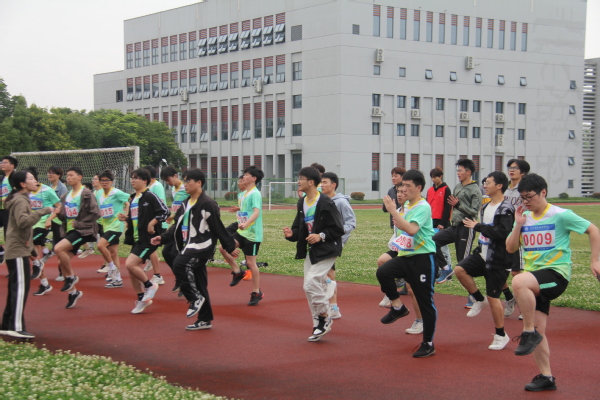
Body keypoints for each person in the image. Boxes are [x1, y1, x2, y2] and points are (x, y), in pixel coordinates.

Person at [506, 174, 600, 392]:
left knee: (518, 281)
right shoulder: (524, 217)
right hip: (534, 278)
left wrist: (595, 260)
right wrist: (518, 225)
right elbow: (510, 248)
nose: (526, 202)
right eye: (522, 198)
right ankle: (546, 377)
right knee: (539, 328)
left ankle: (528, 332)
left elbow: (593, 230)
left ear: (543, 193)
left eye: (529, 197)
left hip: (556, 275)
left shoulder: (561, 215)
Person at [151, 168, 239, 330]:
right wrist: (163, 238)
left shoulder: (207, 203)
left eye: (188, 181)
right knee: (199, 283)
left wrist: (230, 246)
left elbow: (217, 227)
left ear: (199, 183)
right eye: (184, 181)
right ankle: (205, 319)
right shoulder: (186, 203)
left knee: (179, 264)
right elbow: (177, 225)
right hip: (189, 245)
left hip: (202, 247)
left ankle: (194, 298)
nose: (185, 184)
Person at [376, 169, 438, 358]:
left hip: (422, 258)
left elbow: (411, 229)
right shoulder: (406, 205)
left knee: (425, 301)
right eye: (402, 186)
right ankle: (398, 307)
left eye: (408, 186)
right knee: (383, 272)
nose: (403, 189)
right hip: (405, 256)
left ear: (419, 188)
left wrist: (393, 211)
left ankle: (428, 343)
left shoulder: (423, 207)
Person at [453, 171, 516, 350]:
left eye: (488, 182)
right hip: (482, 255)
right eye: (485, 182)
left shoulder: (506, 209)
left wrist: (478, 226)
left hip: (499, 259)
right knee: (460, 270)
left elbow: (502, 233)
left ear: (499, 186)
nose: (485, 186)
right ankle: (479, 299)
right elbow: (485, 233)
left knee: (494, 297)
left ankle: (501, 335)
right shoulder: (486, 206)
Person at [283, 166, 344, 342]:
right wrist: (292, 234)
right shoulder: (302, 202)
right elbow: (299, 228)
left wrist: (321, 236)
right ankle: (318, 324)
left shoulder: (325, 202)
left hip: (328, 248)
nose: (298, 182)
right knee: (308, 287)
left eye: (300, 179)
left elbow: (338, 228)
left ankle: (325, 315)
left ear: (311, 182)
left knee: (311, 282)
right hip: (313, 250)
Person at [0, 170, 57, 339]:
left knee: (15, 288)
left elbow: (20, 229)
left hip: (19, 249)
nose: (35, 181)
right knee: (20, 288)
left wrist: (31, 250)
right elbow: (23, 222)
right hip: (17, 250)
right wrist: (43, 211)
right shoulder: (20, 200)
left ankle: (7, 325)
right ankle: (16, 327)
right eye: (31, 179)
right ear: (23, 184)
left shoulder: (20, 199)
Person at [119, 168, 170, 314]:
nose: (133, 180)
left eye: (136, 178)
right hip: (137, 239)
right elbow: (137, 217)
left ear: (144, 180)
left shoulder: (150, 196)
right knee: (131, 269)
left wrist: (152, 223)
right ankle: (142, 298)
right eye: (132, 177)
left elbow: (165, 212)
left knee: (130, 264)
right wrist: (126, 218)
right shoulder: (133, 198)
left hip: (149, 239)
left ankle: (150, 285)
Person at [54, 167, 102, 309]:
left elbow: (96, 213)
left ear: (79, 177)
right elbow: (65, 216)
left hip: (82, 231)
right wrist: (59, 213)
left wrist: (79, 223)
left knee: (58, 248)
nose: (68, 177)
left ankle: (71, 278)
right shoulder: (66, 196)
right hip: (70, 231)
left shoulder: (86, 194)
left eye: (71, 175)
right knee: (62, 262)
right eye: (67, 175)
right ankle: (73, 293)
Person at [219, 166, 265, 305]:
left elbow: (256, 212)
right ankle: (238, 271)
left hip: (252, 234)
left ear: (254, 178)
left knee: (251, 263)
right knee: (222, 247)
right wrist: (239, 209)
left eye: (246, 174)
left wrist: (246, 223)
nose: (243, 177)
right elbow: (247, 209)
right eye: (243, 174)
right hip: (242, 232)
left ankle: (256, 292)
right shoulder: (244, 194)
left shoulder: (255, 193)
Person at [434, 159, 482, 288]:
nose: (458, 173)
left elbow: (474, 212)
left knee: (463, 263)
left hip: (466, 227)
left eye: (460, 170)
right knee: (433, 241)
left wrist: (459, 205)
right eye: (457, 170)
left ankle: (473, 295)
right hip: (454, 226)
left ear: (468, 172)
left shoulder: (475, 190)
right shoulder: (457, 187)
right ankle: (445, 268)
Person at [320, 172, 356, 319]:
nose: (321, 185)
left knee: (328, 274)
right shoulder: (321, 200)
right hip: (322, 241)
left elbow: (351, 222)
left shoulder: (341, 202)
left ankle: (333, 307)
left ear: (333, 185)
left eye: (325, 182)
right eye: (321, 182)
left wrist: (337, 235)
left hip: (333, 242)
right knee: (326, 274)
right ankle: (332, 306)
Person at [22, 167, 61, 296]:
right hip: (30, 224)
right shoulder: (25, 192)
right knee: (34, 255)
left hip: (43, 224)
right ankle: (44, 283)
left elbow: (59, 207)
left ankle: (40, 261)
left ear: (34, 179)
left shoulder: (47, 190)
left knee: (27, 245)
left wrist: (49, 219)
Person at [502, 158, 531, 318]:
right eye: (509, 167)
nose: (511, 170)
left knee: (516, 272)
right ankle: (509, 297)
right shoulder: (505, 189)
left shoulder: (525, 190)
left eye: (515, 168)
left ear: (523, 172)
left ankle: (523, 307)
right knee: (496, 271)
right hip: (503, 232)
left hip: (518, 233)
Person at [96, 170, 130, 289]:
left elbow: (129, 201)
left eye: (107, 180)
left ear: (112, 182)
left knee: (101, 245)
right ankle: (118, 279)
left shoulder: (117, 193)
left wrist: (127, 216)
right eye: (102, 180)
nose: (104, 182)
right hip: (106, 225)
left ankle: (111, 268)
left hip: (116, 226)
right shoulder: (98, 193)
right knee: (113, 253)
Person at [159, 166, 190, 293]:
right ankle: (179, 277)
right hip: (176, 224)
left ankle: (186, 281)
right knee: (166, 252)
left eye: (168, 179)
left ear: (175, 176)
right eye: (165, 181)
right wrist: (172, 216)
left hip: (185, 225)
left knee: (176, 253)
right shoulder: (173, 189)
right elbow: (177, 207)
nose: (168, 183)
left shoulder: (186, 188)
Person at [142, 165, 166, 285]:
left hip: (156, 223)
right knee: (149, 247)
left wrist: (153, 221)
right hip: (148, 222)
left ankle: (157, 274)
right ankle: (151, 262)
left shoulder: (157, 186)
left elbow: (161, 203)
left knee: (152, 246)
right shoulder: (148, 187)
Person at [426, 167, 453, 275]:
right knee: (431, 245)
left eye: (435, 177)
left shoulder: (446, 189)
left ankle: (448, 269)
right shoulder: (429, 190)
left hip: (442, 222)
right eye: (432, 177)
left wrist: (443, 222)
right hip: (431, 221)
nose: (433, 180)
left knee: (443, 247)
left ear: (441, 176)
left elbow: (448, 207)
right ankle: (436, 269)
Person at [0, 155, 19, 263]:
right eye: (1, 162)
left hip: (10, 210)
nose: (2, 164)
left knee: (9, 236)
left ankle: (13, 263)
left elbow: (18, 191)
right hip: (1, 209)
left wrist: (7, 199)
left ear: (12, 165)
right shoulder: (2, 178)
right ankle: (1, 251)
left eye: (5, 162)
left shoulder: (16, 178)